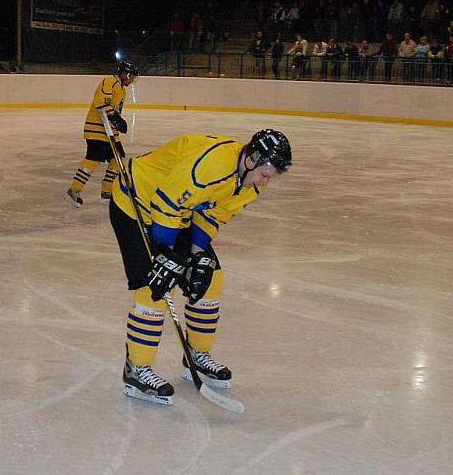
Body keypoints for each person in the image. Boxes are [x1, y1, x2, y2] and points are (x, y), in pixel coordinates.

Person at [109, 129, 292, 405]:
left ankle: (196, 354)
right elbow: (166, 202)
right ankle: (136, 369)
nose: (265, 184)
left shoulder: (248, 184)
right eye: (265, 175)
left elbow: (211, 215)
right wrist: (165, 256)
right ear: (252, 159)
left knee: (210, 278)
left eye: (271, 178)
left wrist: (196, 257)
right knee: (154, 286)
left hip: (177, 211)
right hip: (136, 203)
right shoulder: (212, 165)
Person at [65, 61, 137, 207]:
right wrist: (116, 119)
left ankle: (107, 192)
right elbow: (101, 103)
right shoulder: (109, 81)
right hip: (96, 129)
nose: (132, 80)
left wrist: (117, 121)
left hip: (109, 131)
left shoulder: (122, 90)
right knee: (93, 159)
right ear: (124, 74)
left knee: (118, 159)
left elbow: (114, 109)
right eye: (132, 77)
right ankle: (73, 191)